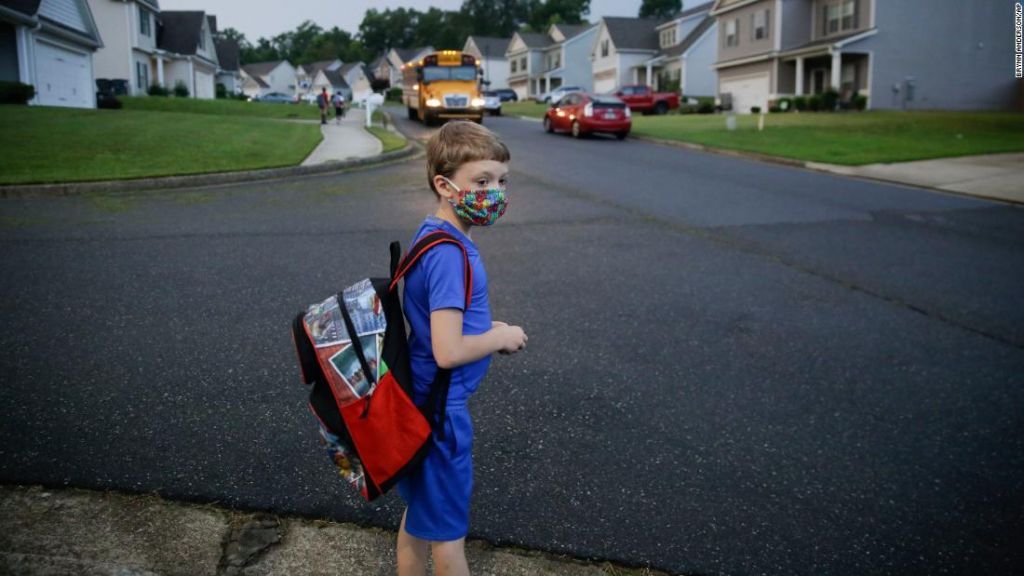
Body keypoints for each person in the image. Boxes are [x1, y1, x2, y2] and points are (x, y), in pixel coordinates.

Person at [396, 121, 527, 576]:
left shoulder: (432, 233)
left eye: (501, 181)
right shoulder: (450, 254)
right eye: (482, 181)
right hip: (440, 413)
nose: (495, 192)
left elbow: (441, 320)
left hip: (420, 398)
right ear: (444, 185)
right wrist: (499, 337)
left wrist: (487, 325)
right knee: (448, 540)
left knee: (418, 518)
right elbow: (448, 350)